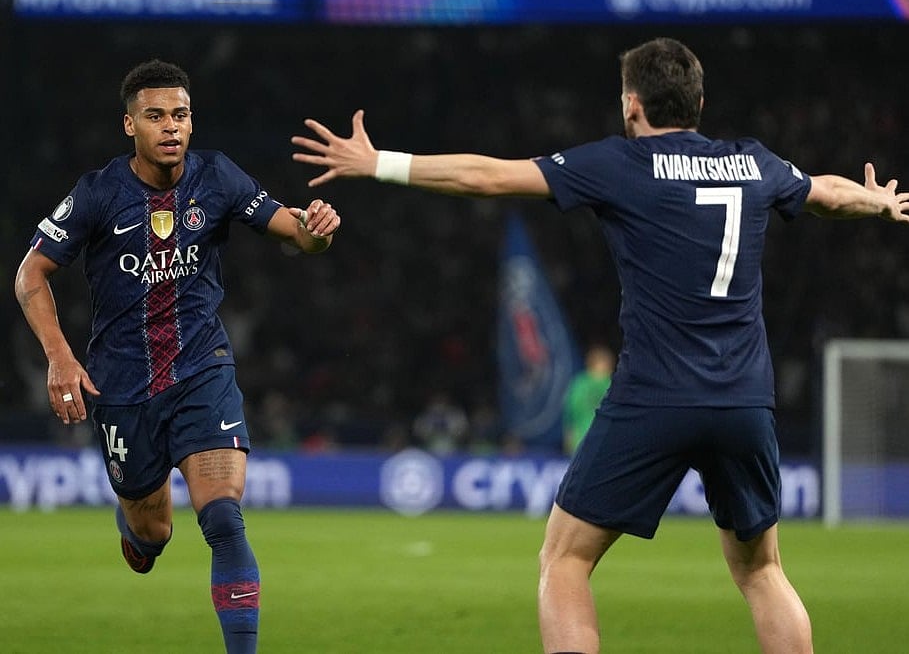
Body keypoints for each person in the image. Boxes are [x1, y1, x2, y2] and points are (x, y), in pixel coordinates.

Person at [289, 37, 909, 653]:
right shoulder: (755, 162)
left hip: (656, 396)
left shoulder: (620, 163)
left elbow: (489, 177)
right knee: (762, 571)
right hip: (745, 399)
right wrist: (877, 202)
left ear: (632, 105)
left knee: (564, 559)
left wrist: (380, 163)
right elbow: (827, 192)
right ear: (699, 100)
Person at [14, 59, 340, 654]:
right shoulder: (97, 194)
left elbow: (294, 233)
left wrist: (315, 230)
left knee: (222, 519)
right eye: (155, 116)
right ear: (129, 125)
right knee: (152, 533)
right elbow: (30, 272)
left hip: (201, 370)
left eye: (181, 115)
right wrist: (58, 357)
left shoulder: (218, 179)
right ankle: (137, 530)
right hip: (121, 387)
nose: (171, 126)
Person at [562, 344, 615, 455]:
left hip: (580, 442)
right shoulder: (612, 384)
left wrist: (568, 436)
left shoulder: (579, 383)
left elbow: (569, 412)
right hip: (604, 443)